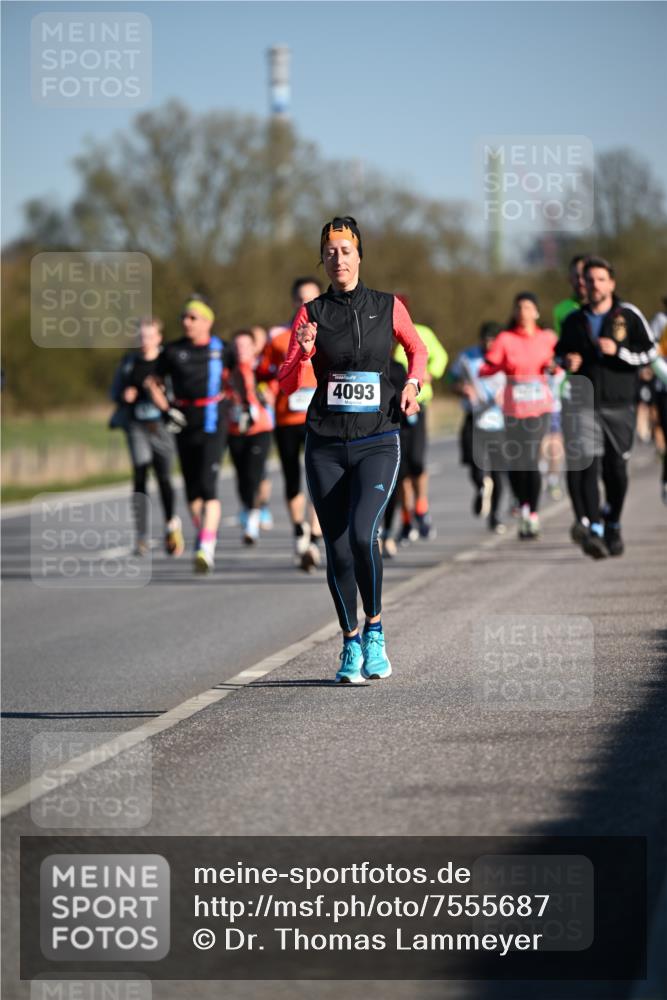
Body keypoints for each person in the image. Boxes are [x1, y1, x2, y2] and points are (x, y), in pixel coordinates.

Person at [278, 216, 427, 684]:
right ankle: (349, 642)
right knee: (338, 550)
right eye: (329, 251)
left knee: (364, 535)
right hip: (325, 444)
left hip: (378, 439)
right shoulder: (311, 313)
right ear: (321, 258)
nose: (337, 258)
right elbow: (282, 385)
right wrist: (303, 353)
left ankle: (376, 629)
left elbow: (416, 350)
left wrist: (413, 384)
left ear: (359, 255)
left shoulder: (388, 306)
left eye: (345, 250)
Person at [557, 258, 657, 556]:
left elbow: (649, 352)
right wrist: (567, 362)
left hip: (620, 404)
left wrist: (620, 351)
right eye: (589, 280)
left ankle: (613, 521)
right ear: (582, 284)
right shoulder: (575, 320)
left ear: (611, 283)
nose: (594, 285)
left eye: (601, 279)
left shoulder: (627, 315)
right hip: (585, 404)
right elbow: (561, 353)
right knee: (589, 465)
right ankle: (596, 528)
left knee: (616, 471)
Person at [145, 295, 227, 574]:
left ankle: (206, 545)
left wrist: (245, 402)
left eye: (192, 318)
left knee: (209, 486)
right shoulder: (172, 351)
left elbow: (237, 375)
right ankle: (202, 533)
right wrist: (166, 409)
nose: (186, 322)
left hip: (213, 423)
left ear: (207, 322)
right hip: (182, 422)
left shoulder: (220, 348)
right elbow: (152, 381)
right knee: (193, 492)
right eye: (183, 317)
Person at [479, 293, 557, 540]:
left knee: (531, 458)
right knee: (516, 460)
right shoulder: (505, 339)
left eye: (528, 307)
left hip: (539, 407)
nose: (523, 311)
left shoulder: (547, 338)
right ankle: (522, 505)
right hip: (513, 409)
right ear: (514, 312)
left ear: (536, 312)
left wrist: (555, 367)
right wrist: (495, 366)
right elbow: (487, 367)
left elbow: (561, 363)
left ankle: (532, 513)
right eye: (519, 307)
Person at [110, 318, 183, 557]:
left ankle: (171, 525)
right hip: (137, 425)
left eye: (149, 336)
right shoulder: (129, 363)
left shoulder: (167, 361)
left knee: (163, 477)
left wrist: (162, 395)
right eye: (141, 336)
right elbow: (114, 392)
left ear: (159, 338)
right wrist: (124, 395)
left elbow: (180, 392)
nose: (144, 341)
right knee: (140, 473)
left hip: (162, 426)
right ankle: (141, 535)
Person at [266, 277, 324, 571]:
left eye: (311, 298)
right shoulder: (278, 337)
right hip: (287, 417)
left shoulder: (329, 333)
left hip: (320, 416)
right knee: (292, 477)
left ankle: (314, 536)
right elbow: (265, 373)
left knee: (318, 477)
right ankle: (299, 531)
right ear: (293, 302)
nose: (306, 305)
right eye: (301, 299)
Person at [391, 299, 448, 542]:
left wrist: (430, 374)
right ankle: (406, 518)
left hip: (417, 405)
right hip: (391, 411)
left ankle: (421, 508)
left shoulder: (421, 332)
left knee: (416, 461)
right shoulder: (378, 334)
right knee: (399, 469)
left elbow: (441, 357)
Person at [449, 322, 507, 533]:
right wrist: (462, 388)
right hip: (474, 418)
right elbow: (451, 379)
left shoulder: (507, 357)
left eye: (493, 339)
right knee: (474, 465)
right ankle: (482, 486)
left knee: (498, 471)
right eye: (486, 339)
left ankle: (495, 516)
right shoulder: (467, 357)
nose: (489, 343)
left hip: (500, 420)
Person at [225, 329, 275, 544]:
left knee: (254, 474)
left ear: (255, 347)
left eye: (245, 346)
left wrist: (264, 393)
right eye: (236, 346)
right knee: (242, 475)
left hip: (260, 429)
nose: (240, 350)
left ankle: (252, 524)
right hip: (235, 429)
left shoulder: (262, 370)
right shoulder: (227, 372)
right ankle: (248, 507)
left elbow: (274, 392)